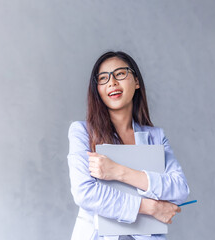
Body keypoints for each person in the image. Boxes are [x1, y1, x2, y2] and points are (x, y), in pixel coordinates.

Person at [67, 51, 190, 240]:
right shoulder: (82, 132)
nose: (112, 82)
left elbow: (180, 188)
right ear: (97, 89)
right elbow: (86, 193)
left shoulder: (155, 137)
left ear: (137, 81)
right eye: (103, 78)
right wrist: (152, 207)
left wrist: (117, 171)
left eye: (120, 74)